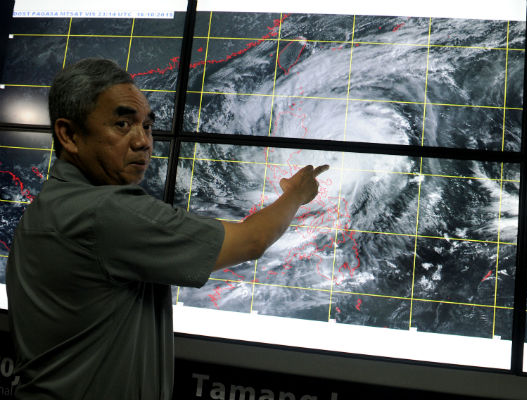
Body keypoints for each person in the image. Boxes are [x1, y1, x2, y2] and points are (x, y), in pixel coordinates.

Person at [6, 58, 328, 399]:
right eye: (122, 124)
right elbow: (253, 240)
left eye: (146, 126)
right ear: (69, 135)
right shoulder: (106, 213)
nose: (144, 141)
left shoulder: (44, 208)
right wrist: (295, 194)